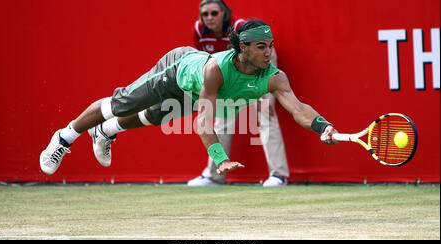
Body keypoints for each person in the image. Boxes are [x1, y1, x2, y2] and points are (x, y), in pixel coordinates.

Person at [39, 20, 339, 179]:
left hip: (193, 91)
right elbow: (204, 121)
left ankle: (105, 132)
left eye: (270, 46)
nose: (268, 53)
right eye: (261, 47)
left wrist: (322, 126)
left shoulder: (274, 77)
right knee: (120, 105)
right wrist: (220, 159)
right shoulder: (216, 70)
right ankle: (64, 138)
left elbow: (299, 109)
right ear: (243, 48)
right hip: (177, 69)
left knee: (152, 118)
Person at [189, 0, 290, 187]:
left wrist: (259, 91)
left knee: (266, 113)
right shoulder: (198, 30)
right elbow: (204, 61)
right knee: (222, 116)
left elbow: (261, 52)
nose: (209, 18)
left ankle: (279, 175)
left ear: (224, 13)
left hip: (260, 63)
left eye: (214, 13)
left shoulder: (239, 27)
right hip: (227, 70)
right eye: (205, 14)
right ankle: (214, 175)